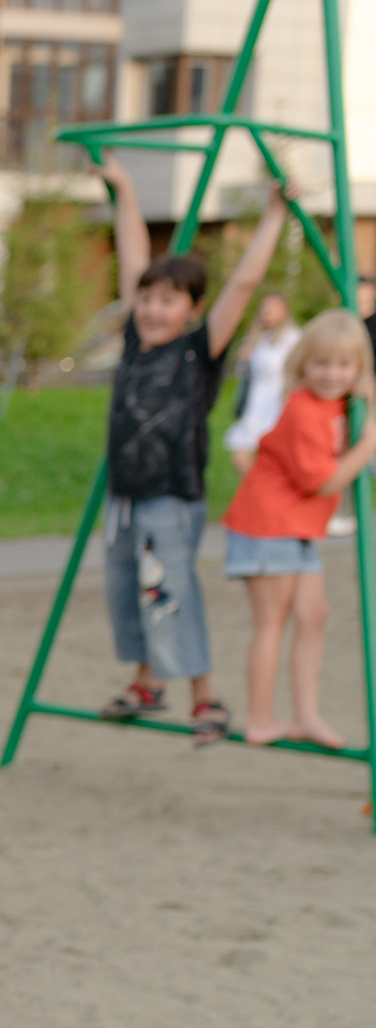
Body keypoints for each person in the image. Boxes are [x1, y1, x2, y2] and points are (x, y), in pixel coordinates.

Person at [91, 164, 291, 747]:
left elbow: (245, 285)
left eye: (168, 301)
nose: (152, 310)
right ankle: (147, 683)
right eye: (147, 299)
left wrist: (275, 213)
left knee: (170, 590)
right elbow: (132, 257)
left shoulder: (197, 351)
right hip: (125, 493)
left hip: (169, 496)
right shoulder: (134, 337)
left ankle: (206, 696)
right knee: (125, 589)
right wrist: (126, 190)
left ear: (193, 310)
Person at [218, 308, 376, 748]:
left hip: (299, 527)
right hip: (268, 523)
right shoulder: (303, 411)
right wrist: (368, 446)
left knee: (314, 615)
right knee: (273, 620)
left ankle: (306, 714)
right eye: (321, 364)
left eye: (343, 365)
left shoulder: (339, 403)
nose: (331, 374)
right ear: (301, 364)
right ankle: (261, 718)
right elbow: (323, 481)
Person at [224, 291, 298, 477]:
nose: (267, 311)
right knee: (240, 455)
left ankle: (265, 493)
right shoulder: (259, 337)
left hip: (277, 403)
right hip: (255, 403)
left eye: (273, 307)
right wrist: (243, 360)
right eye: (265, 307)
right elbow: (245, 374)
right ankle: (257, 489)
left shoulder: (292, 338)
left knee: (270, 458)